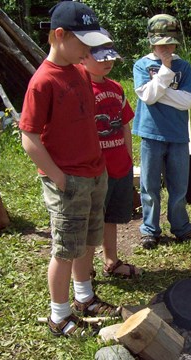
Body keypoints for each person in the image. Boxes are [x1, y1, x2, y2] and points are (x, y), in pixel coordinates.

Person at [19, 1, 119, 337]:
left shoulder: (78, 71)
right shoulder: (42, 82)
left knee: (88, 239)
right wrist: (59, 178)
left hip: (94, 173)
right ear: (59, 35)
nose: (90, 50)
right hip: (68, 180)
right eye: (85, 43)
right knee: (65, 249)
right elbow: (29, 137)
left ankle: (84, 298)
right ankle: (59, 317)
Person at [133, 14, 191, 249]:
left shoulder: (184, 66)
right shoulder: (141, 65)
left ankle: (181, 227)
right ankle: (150, 230)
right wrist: (165, 72)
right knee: (150, 185)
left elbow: (186, 101)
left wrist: (159, 90)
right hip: (151, 134)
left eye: (170, 43)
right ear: (152, 42)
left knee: (179, 186)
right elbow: (148, 97)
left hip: (178, 136)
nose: (166, 47)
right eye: (161, 43)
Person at [81, 28, 142, 279]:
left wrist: (129, 159)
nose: (107, 62)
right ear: (83, 57)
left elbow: (125, 125)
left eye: (110, 57)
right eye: (100, 57)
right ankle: (84, 270)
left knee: (111, 218)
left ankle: (111, 260)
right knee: (90, 221)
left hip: (119, 165)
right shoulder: (80, 89)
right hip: (95, 170)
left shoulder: (116, 88)